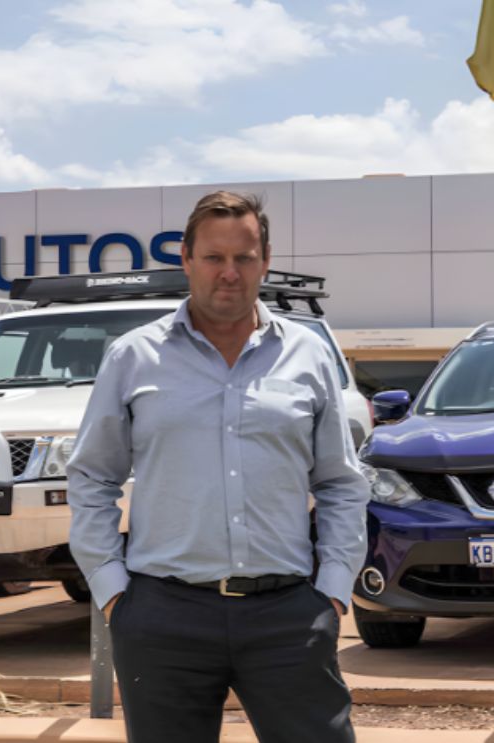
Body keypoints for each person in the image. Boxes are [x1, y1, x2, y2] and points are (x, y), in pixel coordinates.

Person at [67, 191, 370, 743]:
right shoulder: (133, 357)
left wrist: (332, 589)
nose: (229, 273)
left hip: (289, 616)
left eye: (244, 257)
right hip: (163, 615)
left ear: (266, 258)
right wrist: (113, 592)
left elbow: (341, 482)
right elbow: (92, 476)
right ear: (186, 258)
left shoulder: (309, 355)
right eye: (213, 257)